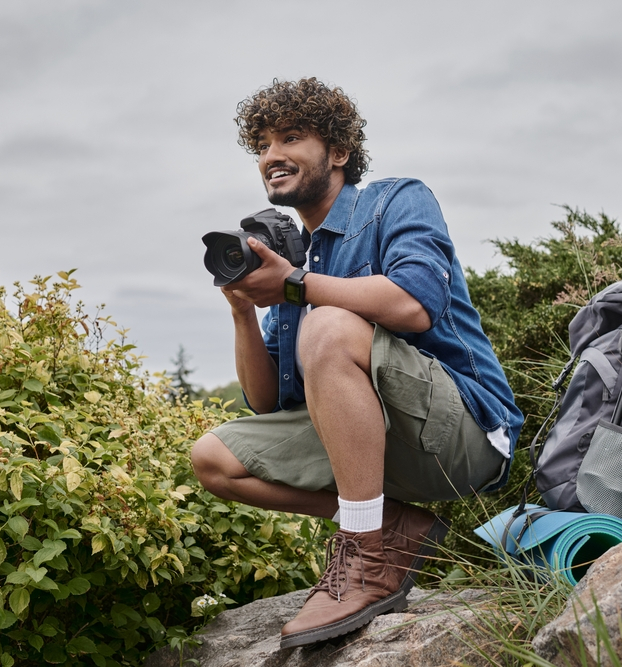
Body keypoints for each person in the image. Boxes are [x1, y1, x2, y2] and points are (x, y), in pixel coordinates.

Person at [190, 77, 523, 648]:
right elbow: (267, 402)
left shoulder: (394, 200)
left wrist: (296, 287)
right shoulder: (298, 260)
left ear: (339, 152)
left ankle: (365, 554)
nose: (271, 155)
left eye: (291, 137)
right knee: (213, 459)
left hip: (464, 434)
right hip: (375, 445)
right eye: (262, 145)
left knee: (326, 321)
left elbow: (414, 305)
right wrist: (245, 311)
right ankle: (391, 525)